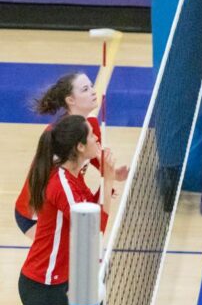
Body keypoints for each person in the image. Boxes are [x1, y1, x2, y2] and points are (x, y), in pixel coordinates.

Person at [19, 114, 116, 305]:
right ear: (78, 146)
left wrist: (106, 182)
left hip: (54, 281)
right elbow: (93, 233)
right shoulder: (62, 184)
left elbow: (90, 209)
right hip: (43, 284)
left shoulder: (72, 177)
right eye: (91, 136)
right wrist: (110, 180)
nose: (97, 139)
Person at [15, 72, 128, 240]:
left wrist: (113, 172)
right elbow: (54, 183)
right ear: (70, 100)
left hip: (63, 203)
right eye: (85, 89)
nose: (93, 91)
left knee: (80, 252)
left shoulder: (91, 126)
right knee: (73, 252)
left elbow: (97, 161)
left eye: (91, 86)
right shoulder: (58, 137)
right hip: (35, 213)